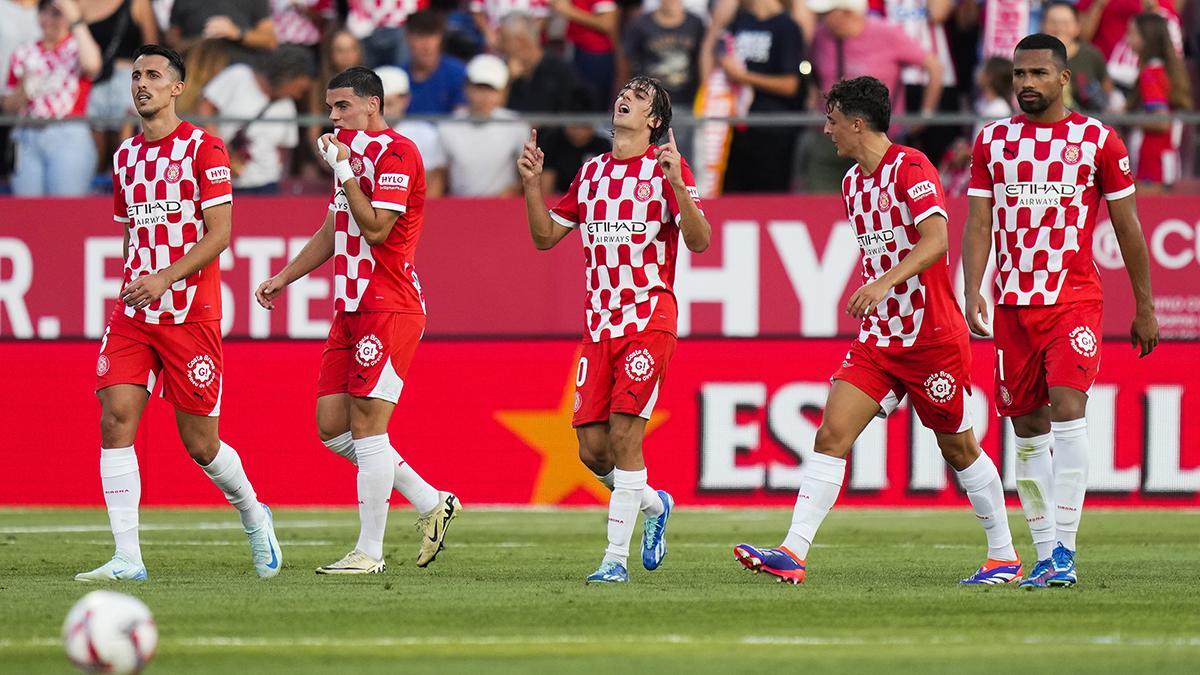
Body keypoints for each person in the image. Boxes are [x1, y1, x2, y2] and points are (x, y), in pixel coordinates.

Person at [732, 76, 1019, 586]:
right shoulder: (852, 184)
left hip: (931, 337)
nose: (826, 131)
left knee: (958, 447)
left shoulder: (911, 167)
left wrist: (883, 283)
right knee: (831, 432)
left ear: (857, 123)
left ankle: (1004, 555)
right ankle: (793, 552)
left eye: (833, 120)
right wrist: (879, 290)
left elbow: (936, 240)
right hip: (880, 339)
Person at [77, 44, 282, 582]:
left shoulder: (204, 149)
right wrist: (136, 282)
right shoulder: (125, 156)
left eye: (154, 75)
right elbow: (131, 232)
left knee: (201, 444)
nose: (141, 83)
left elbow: (222, 234)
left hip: (190, 313)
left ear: (176, 88)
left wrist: (166, 277)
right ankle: (127, 558)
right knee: (115, 416)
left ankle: (253, 513)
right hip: (134, 313)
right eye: (136, 75)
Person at [963, 34, 1159, 589]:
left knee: (1069, 407)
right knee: (1026, 427)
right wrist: (972, 288)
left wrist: (1145, 305)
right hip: (1012, 303)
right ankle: (1045, 553)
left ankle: (1066, 552)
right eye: (1019, 74)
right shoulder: (992, 142)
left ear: (1064, 78)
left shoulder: (1098, 140)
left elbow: (1128, 227)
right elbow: (979, 223)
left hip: (1072, 298)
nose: (1025, 83)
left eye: (1038, 74)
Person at [255, 66, 461, 575]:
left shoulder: (398, 152)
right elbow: (335, 226)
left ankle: (368, 553)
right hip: (350, 308)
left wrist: (345, 168)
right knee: (332, 428)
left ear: (372, 104)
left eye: (342, 106)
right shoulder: (345, 156)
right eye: (329, 107)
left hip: (388, 304)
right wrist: (285, 277)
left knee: (369, 429)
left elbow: (376, 229)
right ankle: (432, 500)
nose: (333, 117)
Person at [518, 75, 712, 583]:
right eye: (623, 91)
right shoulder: (592, 173)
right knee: (592, 449)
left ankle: (613, 561)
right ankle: (654, 504)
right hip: (599, 326)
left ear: (654, 121)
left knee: (627, 436)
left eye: (639, 97)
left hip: (649, 319)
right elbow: (544, 239)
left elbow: (699, 241)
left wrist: (677, 186)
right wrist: (531, 185)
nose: (623, 97)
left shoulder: (666, 167)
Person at [3, 0, 102, 196]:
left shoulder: (77, 49)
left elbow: (92, 65)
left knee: (66, 211)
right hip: (27, 135)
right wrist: (23, 91)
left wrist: (75, 17)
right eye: (44, 13)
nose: (49, 20)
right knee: (27, 212)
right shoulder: (24, 52)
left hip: (68, 134)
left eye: (57, 14)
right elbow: (7, 105)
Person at [197, 45, 315, 193]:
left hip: (267, 184)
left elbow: (282, 151)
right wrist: (222, 152)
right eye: (299, 89)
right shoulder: (239, 76)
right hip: (224, 179)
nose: (298, 96)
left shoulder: (288, 106)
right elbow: (205, 110)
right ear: (287, 76)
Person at [719, 0, 804, 193]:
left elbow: (790, 85)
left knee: (769, 193)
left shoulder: (787, 26)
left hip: (773, 126)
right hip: (737, 127)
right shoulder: (740, 22)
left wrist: (743, 77)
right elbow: (718, 45)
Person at [438, 54, 529, 197]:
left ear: (503, 93)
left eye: (491, 89)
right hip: (459, 210)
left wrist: (508, 195)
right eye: (480, 88)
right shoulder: (447, 126)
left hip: (504, 209)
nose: (485, 96)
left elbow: (527, 177)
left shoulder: (516, 124)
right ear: (466, 88)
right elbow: (440, 177)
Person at [1126, 11, 1191, 193]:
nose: (1127, 38)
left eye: (1131, 33)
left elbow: (1161, 122)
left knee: (1148, 215)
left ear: (1146, 38)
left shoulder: (1151, 74)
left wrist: (1127, 118)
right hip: (1166, 157)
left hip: (1151, 160)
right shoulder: (1166, 70)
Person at [376, 65, 447, 197]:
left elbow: (435, 180)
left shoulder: (426, 133)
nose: (384, 111)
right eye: (379, 104)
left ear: (406, 99)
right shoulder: (359, 135)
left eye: (390, 103)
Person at [622, 0, 705, 108]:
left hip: (687, 100)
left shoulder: (696, 24)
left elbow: (704, 60)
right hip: (649, 102)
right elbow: (626, 61)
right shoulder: (641, 24)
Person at [1042, 0, 1112, 113]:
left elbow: (1107, 89)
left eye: (1065, 23)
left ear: (1077, 27)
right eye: (1053, 23)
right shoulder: (1035, 56)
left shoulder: (1092, 55)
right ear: (1043, 25)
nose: (1059, 29)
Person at [167, 0, 278, 61]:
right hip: (196, 71)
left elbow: (270, 41)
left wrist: (236, 33)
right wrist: (196, 42)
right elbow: (172, 38)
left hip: (239, 71)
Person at [404, 9, 467, 115]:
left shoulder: (458, 73)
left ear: (441, 38)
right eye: (420, 36)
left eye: (432, 36)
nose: (427, 45)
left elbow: (461, 118)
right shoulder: (397, 76)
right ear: (408, 38)